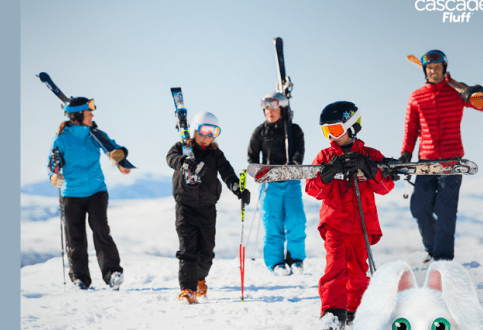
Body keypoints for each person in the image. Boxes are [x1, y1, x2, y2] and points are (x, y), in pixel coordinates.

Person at [306, 101, 396, 330]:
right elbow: (312, 190)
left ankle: (357, 313)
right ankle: (332, 313)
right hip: (334, 223)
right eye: (326, 131)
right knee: (335, 268)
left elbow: (385, 188)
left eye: (334, 130)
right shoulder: (326, 155)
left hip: (361, 225)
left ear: (352, 126)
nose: (331, 137)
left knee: (357, 272)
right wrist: (327, 174)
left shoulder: (370, 154)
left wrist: (370, 167)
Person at [399, 50, 483, 263]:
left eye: (437, 68)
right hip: (426, 161)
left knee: (446, 210)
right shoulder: (416, 97)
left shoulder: (457, 92)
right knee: (419, 208)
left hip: (452, 162)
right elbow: (411, 129)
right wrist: (406, 152)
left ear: (444, 69)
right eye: (430, 68)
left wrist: (479, 92)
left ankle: (442, 258)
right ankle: (433, 249)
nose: (433, 71)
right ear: (425, 70)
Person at [167, 111, 251, 304]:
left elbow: (227, 173)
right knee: (188, 249)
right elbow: (170, 158)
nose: (207, 138)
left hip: (207, 208)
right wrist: (182, 162)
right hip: (185, 207)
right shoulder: (182, 148)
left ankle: (200, 280)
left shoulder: (215, 153)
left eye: (213, 133)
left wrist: (238, 189)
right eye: (204, 132)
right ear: (194, 130)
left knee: (206, 252)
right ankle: (187, 289)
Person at [48, 97, 128, 290]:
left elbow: (117, 149)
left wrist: (118, 156)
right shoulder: (62, 140)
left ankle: (112, 274)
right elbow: (52, 165)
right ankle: (80, 278)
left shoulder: (95, 135)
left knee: (101, 230)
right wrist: (54, 176)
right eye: (88, 112)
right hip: (72, 194)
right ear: (77, 115)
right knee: (75, 237)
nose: (92, 115)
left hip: (96, 191)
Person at [247, 91, 307, 276]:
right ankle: (276, 263)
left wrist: (294, 164)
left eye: (273, 107)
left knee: (296, 220)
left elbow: (299, 152)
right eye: (265, 108)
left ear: (282, 107)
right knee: (273, 223)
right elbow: (251, 157)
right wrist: (260, 171)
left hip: (291, 181)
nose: (269, 111)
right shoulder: (260, 132)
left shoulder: (293, 130)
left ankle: (295, 260)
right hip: (270, 184)